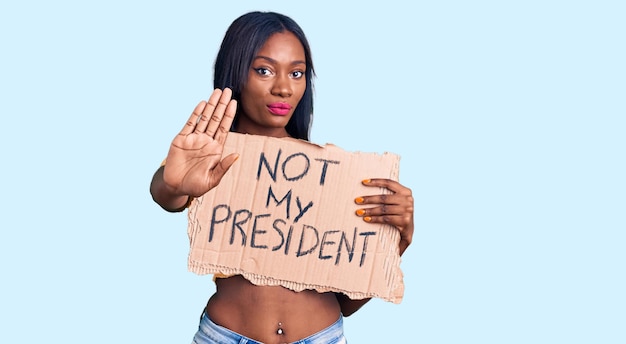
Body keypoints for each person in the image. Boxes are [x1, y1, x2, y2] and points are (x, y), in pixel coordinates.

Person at [150, 11, 414, 344]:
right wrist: (173, 186)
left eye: (297, 73)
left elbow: (347, 303)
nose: (284, 88)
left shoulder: (329, 174)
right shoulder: (205, 155)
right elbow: (166, 192)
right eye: (264, 70)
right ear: (236, 73)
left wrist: (397, 240)